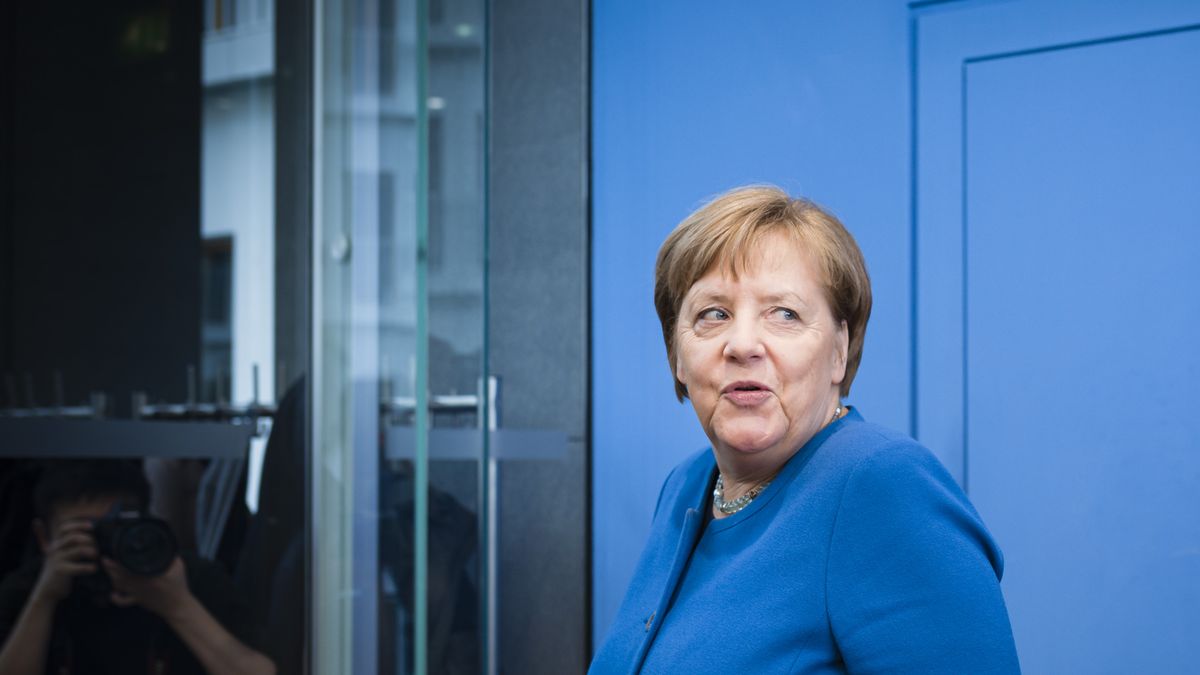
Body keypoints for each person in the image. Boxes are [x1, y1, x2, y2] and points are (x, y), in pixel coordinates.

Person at [590, 186, 1020, 673]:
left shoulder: (881, 484)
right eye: (714, 314)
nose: (743, 343)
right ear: (677, 355)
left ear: (840, 349)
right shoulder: (685, 486)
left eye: (784, 314)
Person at [0, 460, 276, 675]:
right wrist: (44, 599)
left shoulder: (190, 578)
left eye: (116, 527)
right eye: (88, 532)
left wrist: (178, 606)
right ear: (44, 537)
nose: (105, 545)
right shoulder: (30, 589)